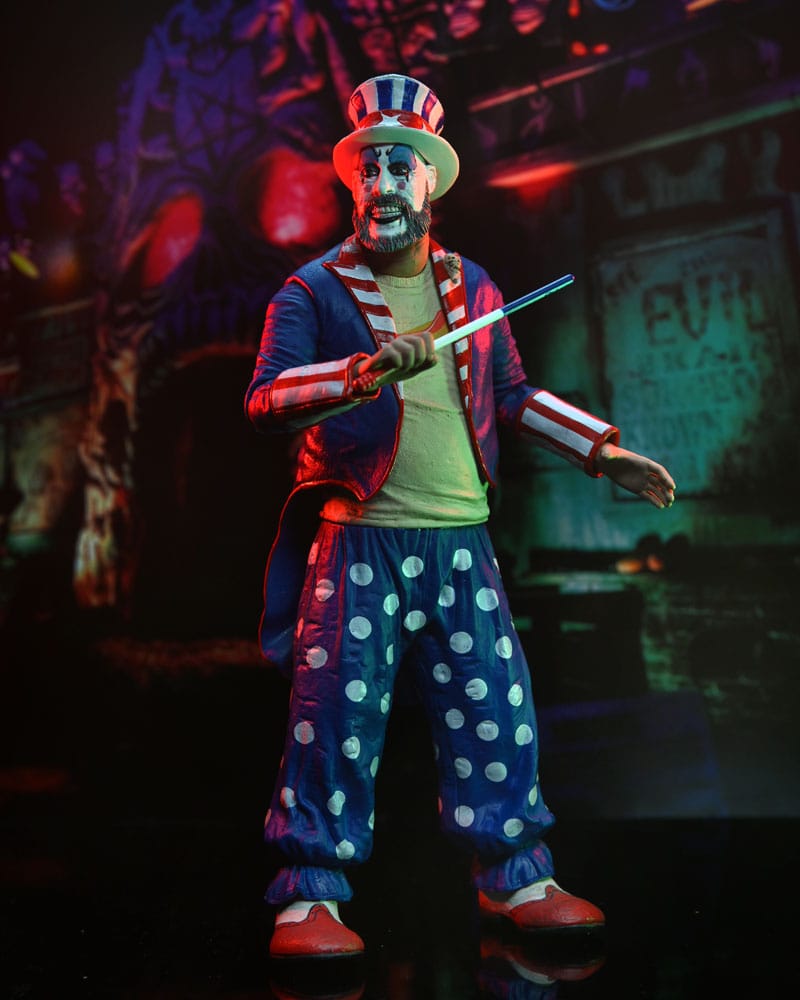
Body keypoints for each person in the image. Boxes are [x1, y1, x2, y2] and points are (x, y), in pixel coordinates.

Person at [245, 73, 676, 960]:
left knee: (495, 710)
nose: (383, 184)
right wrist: (359, 375)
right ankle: (309, 893)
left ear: (429, 182)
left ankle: (517, 874)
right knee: (331, 718)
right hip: (357, 542)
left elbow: (512, 393)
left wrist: (603, 452)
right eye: (369, 168)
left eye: (400, 168)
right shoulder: (312, 291)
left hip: (462, 546)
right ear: (353, 182)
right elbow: (266, 399)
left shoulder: (474, 288)